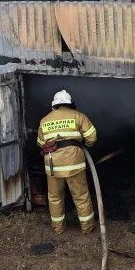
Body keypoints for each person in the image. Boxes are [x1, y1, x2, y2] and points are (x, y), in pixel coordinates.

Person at [37, 89, 97, 234]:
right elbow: (92, 137)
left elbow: (40, 143)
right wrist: (85, 147)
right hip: (74, 163)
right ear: (70, 104)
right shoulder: (78, 116)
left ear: (54, 105)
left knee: (55, 197)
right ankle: (87, 227)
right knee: (81, 196)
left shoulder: (45, 120)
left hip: (53, 166)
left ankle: (58, 228)